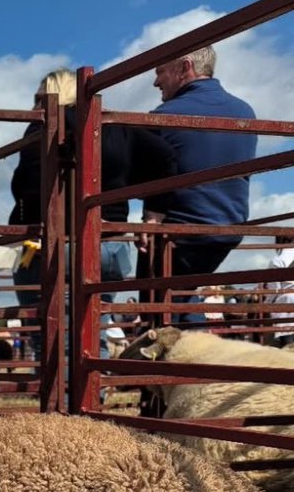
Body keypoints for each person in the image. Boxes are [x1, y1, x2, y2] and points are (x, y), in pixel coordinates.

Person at [10, 67, 178, 347]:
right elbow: (165, 157)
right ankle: (94, 378)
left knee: (53, 344)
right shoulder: (114, 125)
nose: (35, 105)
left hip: (61, 245)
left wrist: (23, 222)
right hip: (111, 247)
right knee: (92, 336)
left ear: (53, 95)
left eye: (40, 97)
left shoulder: (46, 126)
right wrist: (153, 215)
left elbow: (29, 184)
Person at [145, 45, 258, 304]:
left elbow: (140, 175)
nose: (155, 82)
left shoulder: (163, 116)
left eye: (160, 72)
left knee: (157, 305)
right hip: (230, 228)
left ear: (185, 67)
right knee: (185, 295)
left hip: (179, 234)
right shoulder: (245, 111)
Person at [267, 235, 294, 348]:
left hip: (286, 302)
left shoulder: (278, 260)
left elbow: (274, 290)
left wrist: (266, 305)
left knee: (287, 344)